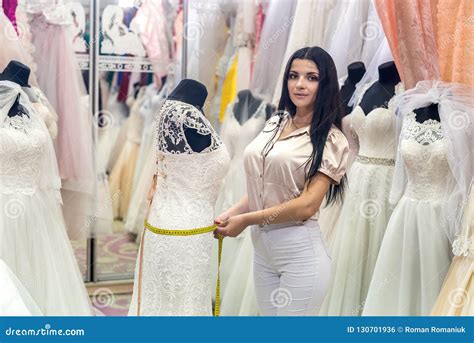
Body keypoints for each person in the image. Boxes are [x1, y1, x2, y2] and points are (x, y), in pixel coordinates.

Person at [215, 46, 349, 316]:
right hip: (263, 254)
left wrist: (248, 220)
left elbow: (307, 206)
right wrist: (232, 213)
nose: (299, 84)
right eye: (293, 75)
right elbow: (264, 186)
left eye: (311, 78)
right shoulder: (276, 121)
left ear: (325, 85)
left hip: (300, 255)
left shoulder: (331, 139)